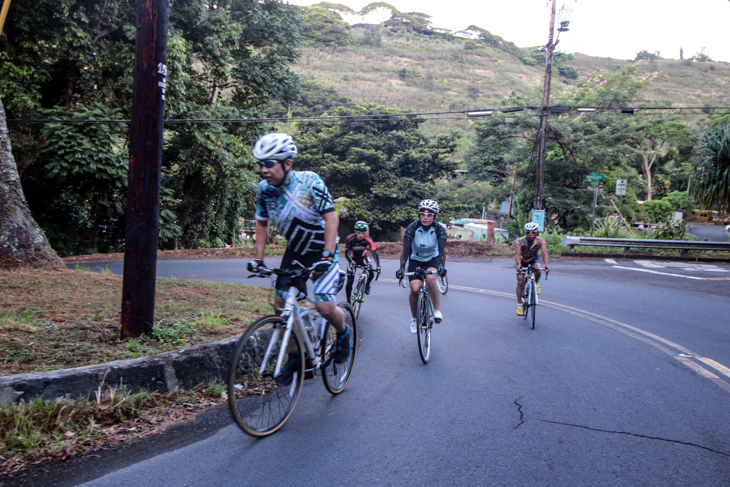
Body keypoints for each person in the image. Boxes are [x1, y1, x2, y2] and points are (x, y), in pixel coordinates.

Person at [247, 133, 350, 382]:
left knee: (324, 307)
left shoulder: (310, 182)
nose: (264, 170)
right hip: (296, 250)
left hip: (323, 249)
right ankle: (296, 357)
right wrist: (259, 260)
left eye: (269, 163)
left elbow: (331, 218)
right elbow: (262, 224)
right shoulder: (264, 190)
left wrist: (327, 255)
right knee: (281, 305)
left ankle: (344, 332)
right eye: (260, 164)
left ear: (287, 163)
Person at [395, 199, 448, 333]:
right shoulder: (412, 228)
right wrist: (402, 268)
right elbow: (406, 250)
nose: (425, 217)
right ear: (419, 215)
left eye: (429, 214)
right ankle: (414, 318)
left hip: (432, 259)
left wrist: (441, 266)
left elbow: (443, 250)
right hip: (416, 259)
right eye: (422, 214)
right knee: (414, 289)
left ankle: (436, 310)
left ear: (435, 216)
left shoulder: (439, 229)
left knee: (431, 280)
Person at [515, 222, 550, 316]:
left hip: (533, 259)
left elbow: (545, 253)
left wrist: (546, 264)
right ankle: (519, 305)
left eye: (533, 232)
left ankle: (536, 284)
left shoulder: (541, 240)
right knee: (520, 282)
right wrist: (519, 265)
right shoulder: (519, 241)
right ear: (525, 233)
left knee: (537, 269)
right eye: (528, 232)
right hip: (522, 261)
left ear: (537, 233)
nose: (530, 234)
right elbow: (517, 254)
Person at [344, 221, 381, 303]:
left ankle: (367, 286)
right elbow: (346, 254)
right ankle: (348, 301)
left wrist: (378, 266)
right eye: (359, 232)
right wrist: (351, 262)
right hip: (352, 259)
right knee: (350, 281)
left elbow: (374, 253)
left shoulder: (368, 239)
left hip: (362, 258)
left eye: (363, 232)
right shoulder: (349, 239)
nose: (361, 235)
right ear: (355, 232)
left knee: (371, 272)